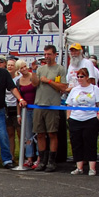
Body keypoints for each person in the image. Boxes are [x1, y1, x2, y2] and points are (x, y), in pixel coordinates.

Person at [33, 44, 66, 172]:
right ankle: (42, 160)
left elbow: (63, 87)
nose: (47, 57)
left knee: (52, 133)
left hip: (52, 105)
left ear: (55, 55)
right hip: (39, 104)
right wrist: (34, 71)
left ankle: (52, 161)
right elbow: (35, 84)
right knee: (40, 133)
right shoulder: (41, 69)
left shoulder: (60, 69)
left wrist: (49, 81)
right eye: (45, 54)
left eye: (49, 54)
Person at [65, 68, 99, 175]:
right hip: (75, 119)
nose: (80, 79)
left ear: (87, 77)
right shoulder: (74, 90)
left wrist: (97, 118)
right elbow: (69, 104)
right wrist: (69, 117)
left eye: (82, 76)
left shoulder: (94, 89)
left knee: (90, 143)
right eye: (78, 77)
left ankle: (92, 168)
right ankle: (79, 167)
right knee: (76, 143)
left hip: (90, 118)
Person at [14, 61, 40, 170]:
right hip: (26, 110)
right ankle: (29, 158)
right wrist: (18, 115)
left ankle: (39, 158)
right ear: (18, 70)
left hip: (37, 109)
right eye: (21, 68)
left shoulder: (33, 77)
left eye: (25, 67)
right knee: (28, 135)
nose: (24, 69)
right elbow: (18, 99)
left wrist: (33, 71)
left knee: (38, 134)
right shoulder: (18, 81)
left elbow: (36, 84)